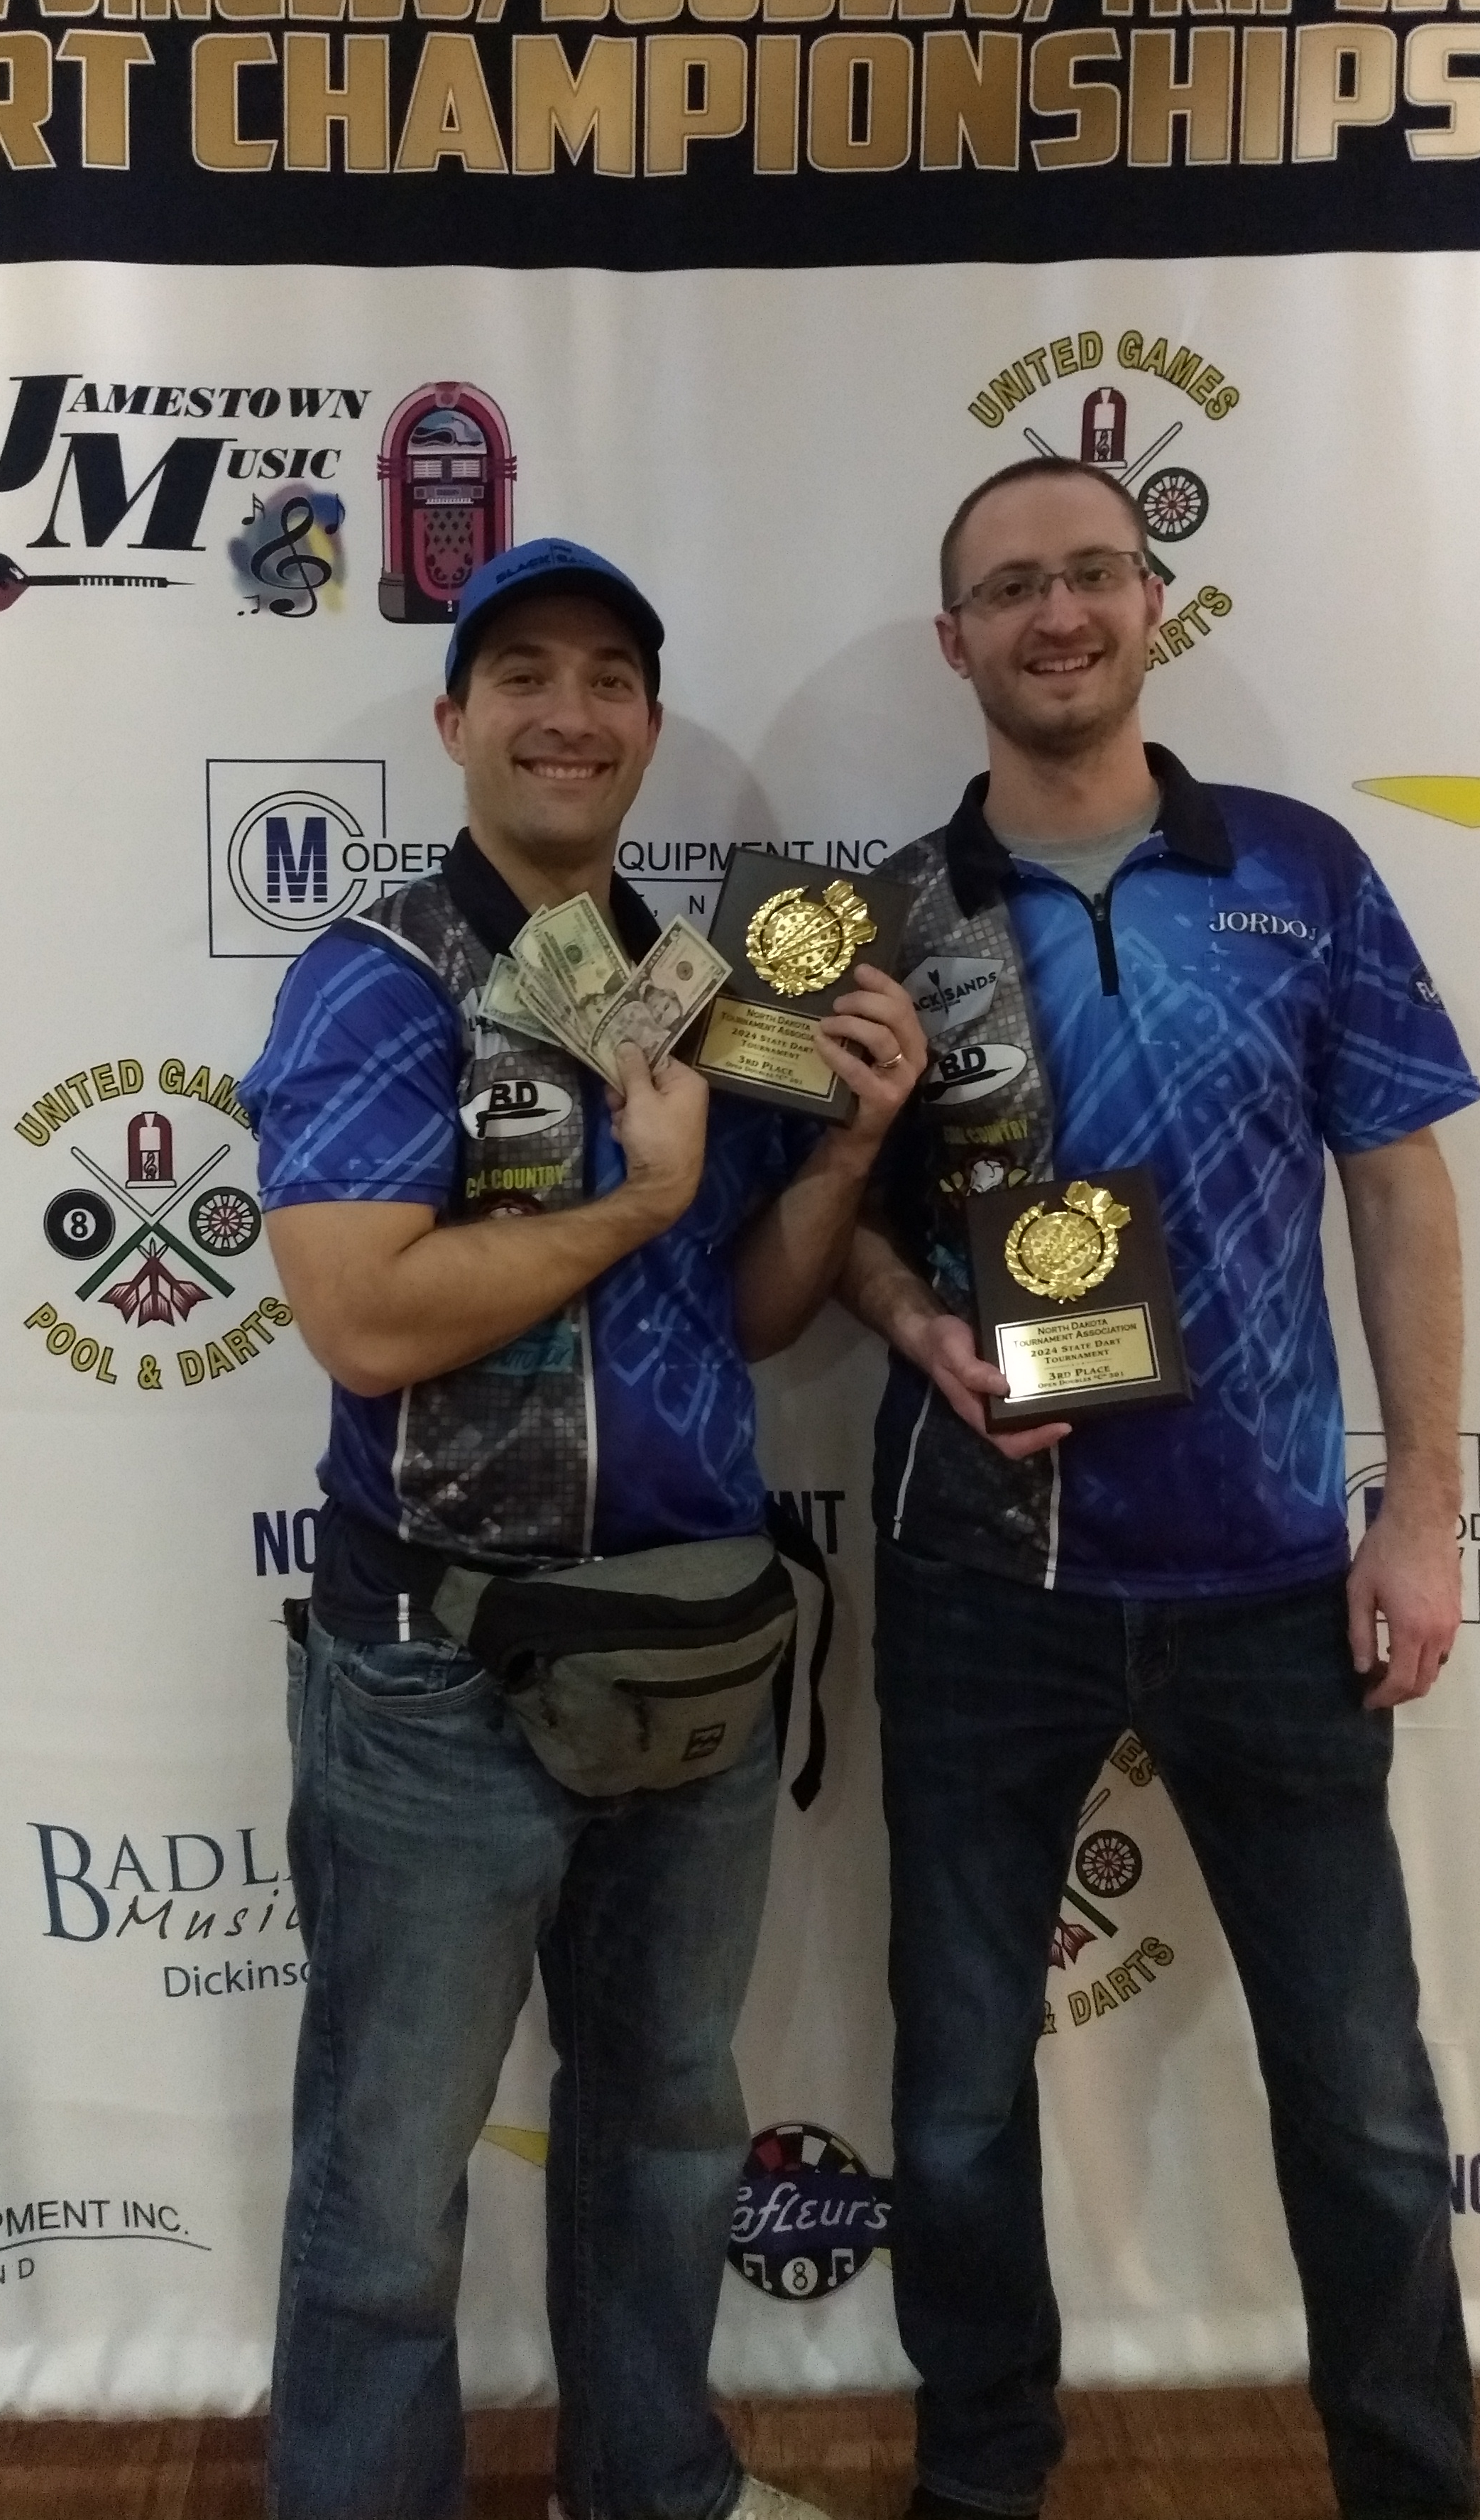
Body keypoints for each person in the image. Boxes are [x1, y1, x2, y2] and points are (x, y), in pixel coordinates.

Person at [243, 534, 928, 2520]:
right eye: (525, 675)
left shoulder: (697, 991)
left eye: (610, 678)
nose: (571, 712)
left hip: (693, 1657)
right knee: (389, 2183)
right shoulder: (376, 978)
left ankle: (653, 2491)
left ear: (647, 726)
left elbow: (756, 1313)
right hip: (438, 1673)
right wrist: (635, 1200)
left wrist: (851, 1149)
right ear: (454, 720)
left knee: (667, 2141)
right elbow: (365, 1319)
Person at [844, 457, 1480, 2520]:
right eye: (1011, 587)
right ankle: (981, 2482)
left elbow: (1398, 1184)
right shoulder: (885, 921)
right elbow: (822, 1218)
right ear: (955, 639)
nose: (1059, 614)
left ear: (1151, 600)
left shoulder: (1297, 868)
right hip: (983, 1584)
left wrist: (1420, 1510)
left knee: (1364, 2105)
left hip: (1278, 1575)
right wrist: (911, 1321)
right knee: (957, 2103)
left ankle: (1415, 2488)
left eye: (1093, 573)